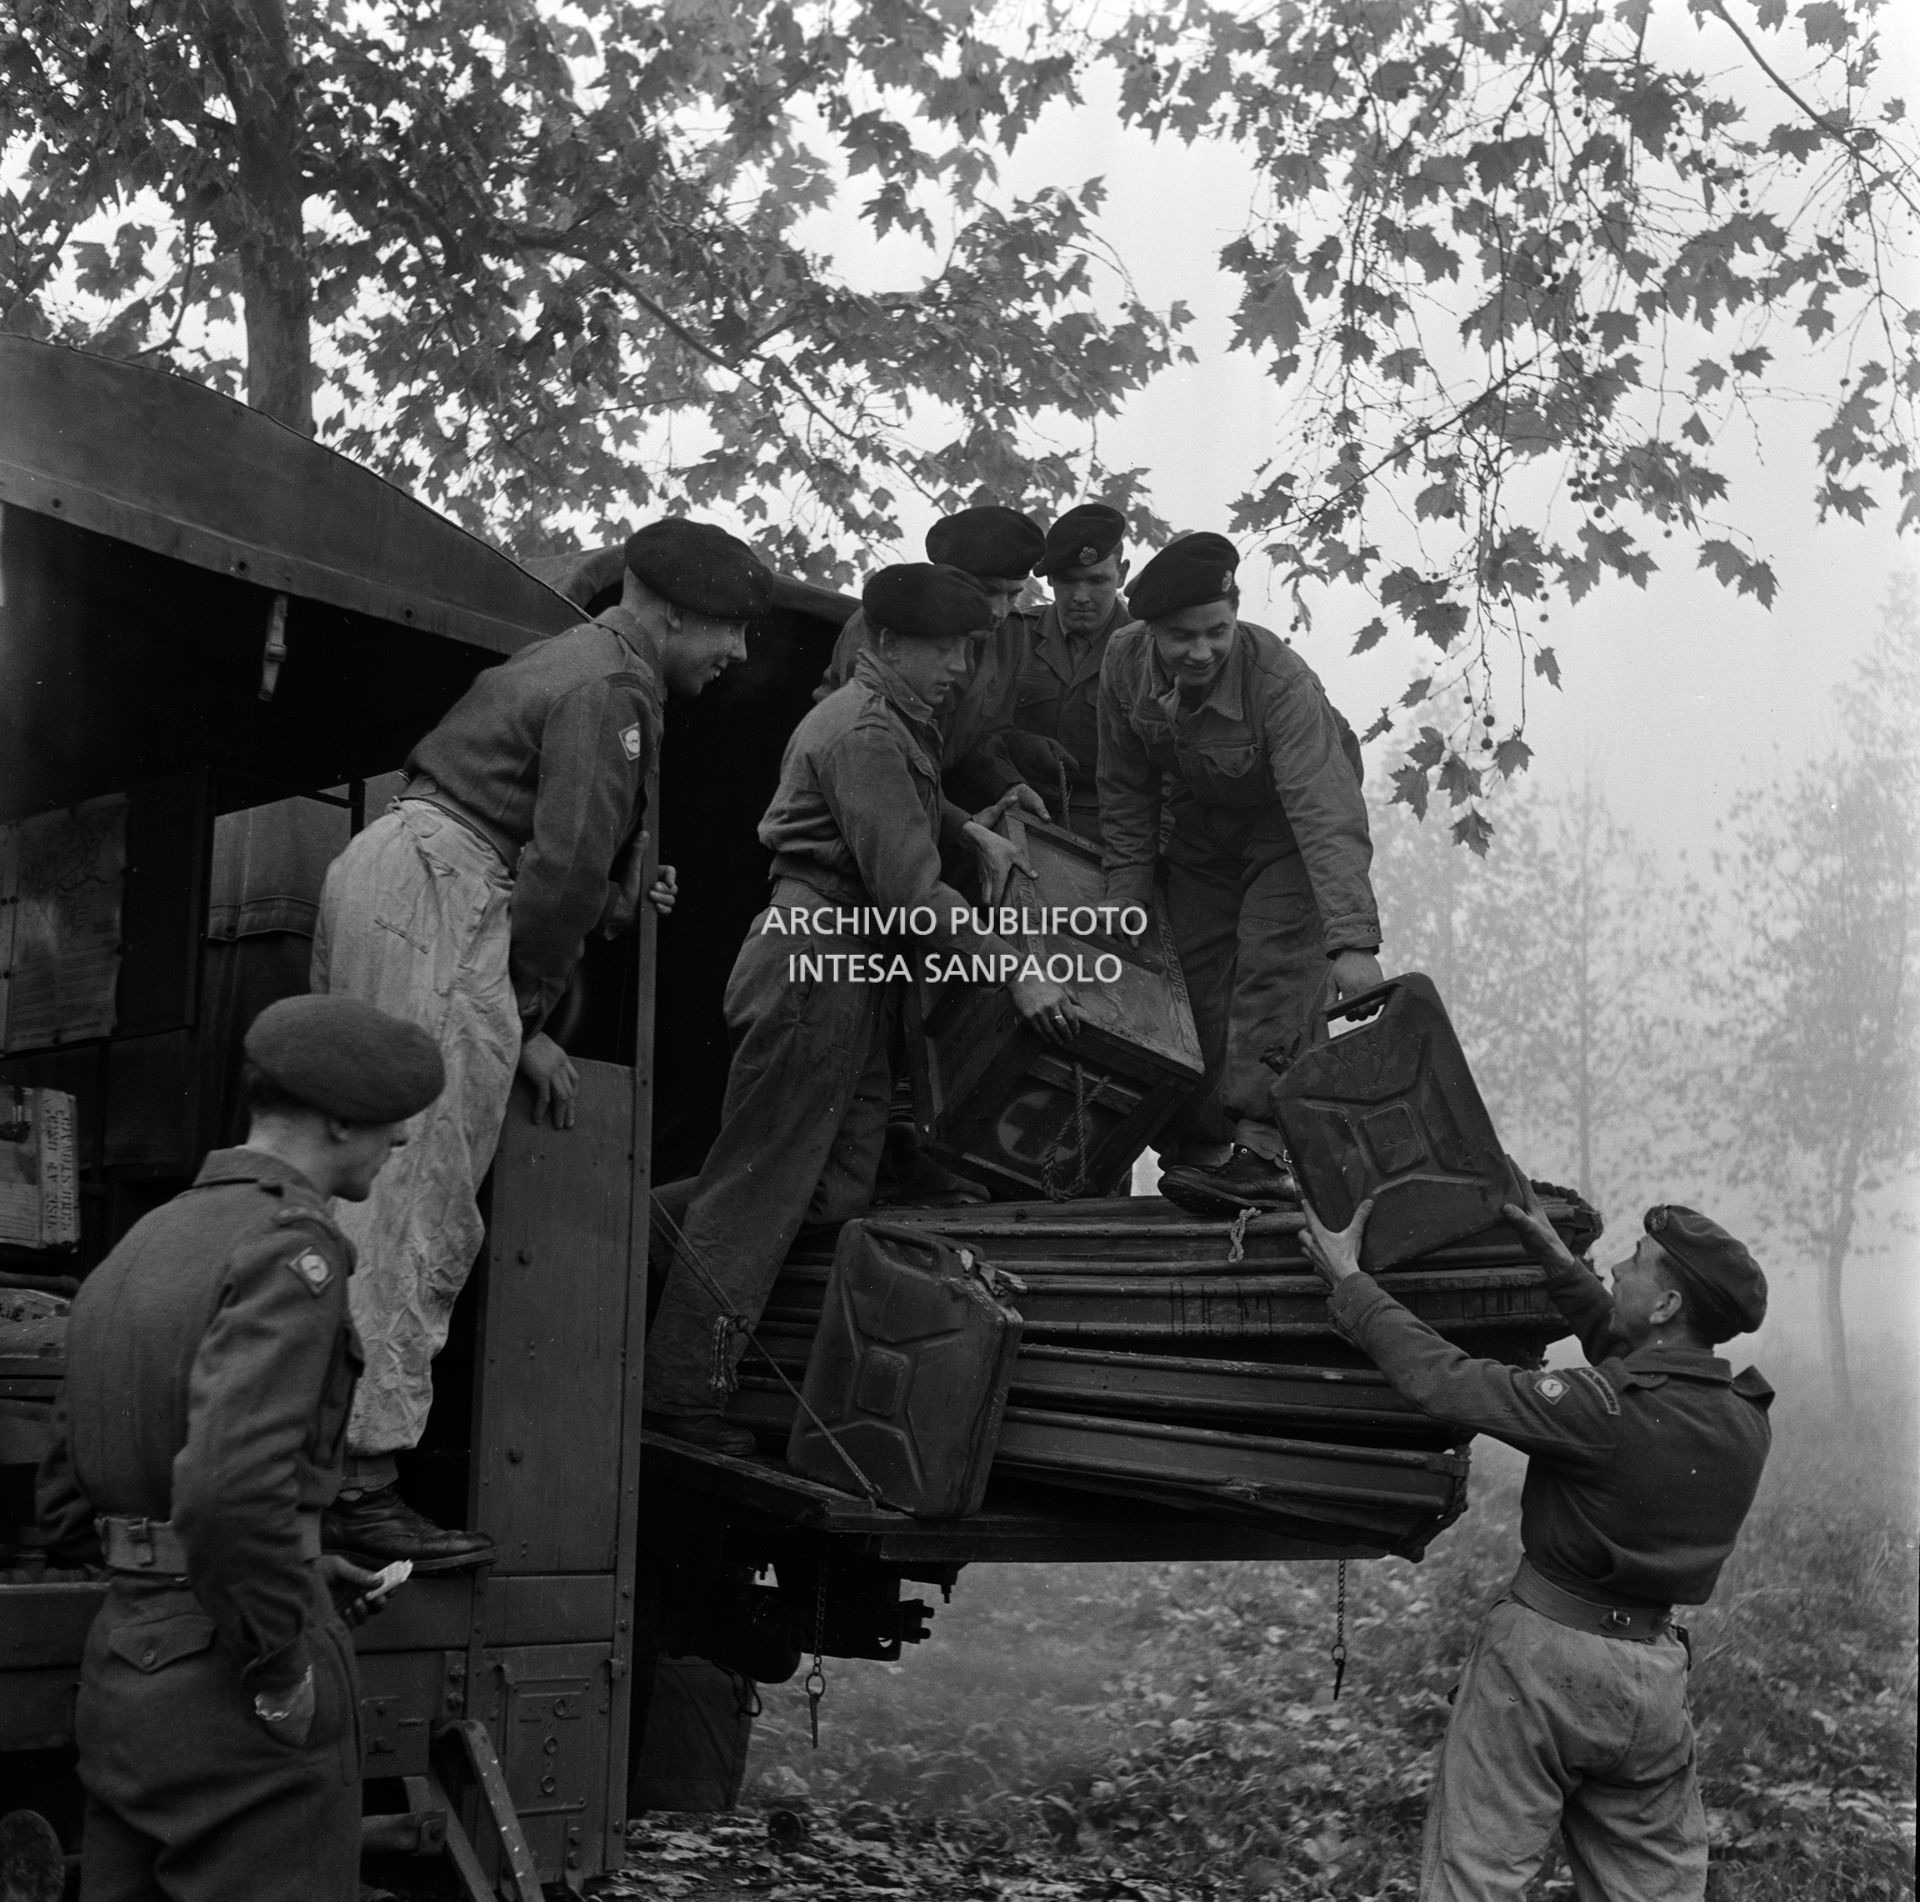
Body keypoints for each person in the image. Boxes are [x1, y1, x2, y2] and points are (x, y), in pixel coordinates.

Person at [311, 516, 771, 1566]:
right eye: (729, 631)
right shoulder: (614, 688)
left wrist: (602, 901)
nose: (736, 655)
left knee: (360, 1185)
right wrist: (525, 1012)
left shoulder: (565, 661)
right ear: (669, 612)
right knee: (420, 1194)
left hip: (400, 872)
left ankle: (322, 1461)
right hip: (441, 889)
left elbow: (554, 857)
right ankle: (362, 1484)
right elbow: (558, 873)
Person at [643, 563, 1083, 1452]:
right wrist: (1018, 974)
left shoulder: (892, 724)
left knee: (835, 1186)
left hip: (850, 969)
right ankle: (680, 1400)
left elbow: (905, 816)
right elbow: (913, 890)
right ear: (885, 644)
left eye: (969, 650)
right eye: (943, 650)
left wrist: (972, 828)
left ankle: (643, 1232)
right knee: (761, 1192)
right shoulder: (863, 730)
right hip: (815, 966)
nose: (960, 668)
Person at [36, 995, 446, 1902]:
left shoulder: (140, 1244)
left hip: (125, 1666)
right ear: (340, 1119)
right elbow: (227, 1491)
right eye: (392, 1117)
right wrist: (280, 1659)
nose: (406, 1141)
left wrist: (296, 1561)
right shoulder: (289, 1252)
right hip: (235, 1686)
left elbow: (68, 1504)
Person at [1299, 1178, 1773, 1902]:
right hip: (1653, 1683)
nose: (1616, 1268)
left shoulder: (1600, 1412)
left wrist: (1352, 1283)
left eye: (1636, 1262)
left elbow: (1449, 1381)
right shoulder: (1745, 1418)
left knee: (1476, 1881)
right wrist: (1557, 1260)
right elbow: (1646, 1362)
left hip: (1544, 1672)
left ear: (1669, 1304)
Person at [1096, 531, 1382, 1214]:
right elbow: (1125, 788)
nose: (1201, 652)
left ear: (1237, 615)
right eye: (1181, 637)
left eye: (1217, 632)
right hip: (1205, 821)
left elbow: (1326, 812)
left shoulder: (1279, 682)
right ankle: (1200, 1150)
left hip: (1289, 824)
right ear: (1149, 631)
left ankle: (1262, 1152)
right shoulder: (1122, 663)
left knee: (1276, 973)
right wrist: (1126, 896)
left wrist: (1353, 944)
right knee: (1182, 975)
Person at [815, 503, 1070, 812]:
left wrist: (1010, 785)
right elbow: (873, 754)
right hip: (849, 800)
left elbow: (986, 734)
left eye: (1013, 595)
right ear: (947, 576)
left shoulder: (1009, 635)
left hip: (929, 806)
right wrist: (963, 828)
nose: (999, 611)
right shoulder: (887, 625)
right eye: (987, 590)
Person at [1007, 501, 1132, 842]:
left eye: (1096, 580)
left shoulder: (1147, 651)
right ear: (1049, 580)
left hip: (1113, 829)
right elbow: (980, 732)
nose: (1080, 596)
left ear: (1122, 573)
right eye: (1067, 581)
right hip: (1018, 813)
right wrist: (1017, 743)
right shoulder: (1014, 635)